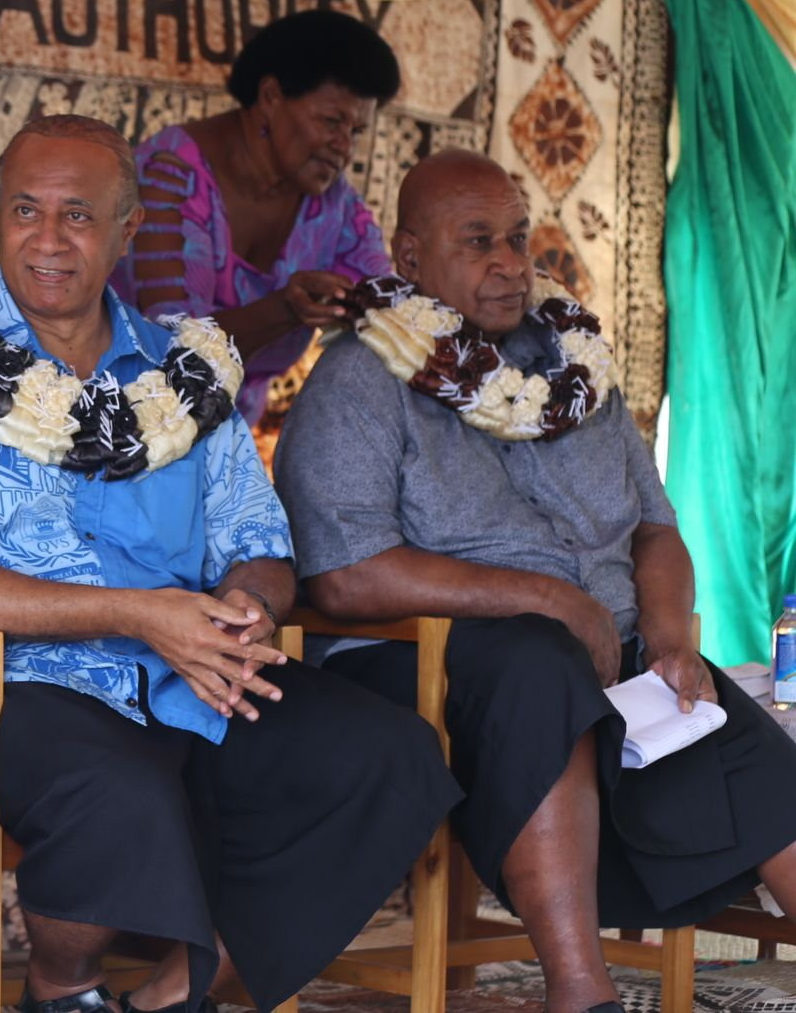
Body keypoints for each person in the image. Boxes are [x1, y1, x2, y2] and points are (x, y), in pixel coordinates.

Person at [0, 114, 458, 1013]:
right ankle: (62, 989)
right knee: (116, 788)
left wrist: (246, 609)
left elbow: (259, 544)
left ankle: (181, 987)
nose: (47, 240)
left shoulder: (186, 373)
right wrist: (137, 613)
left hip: (180, 671)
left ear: (127, 230)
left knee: (386, 755)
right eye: (24, 210)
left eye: (78, 216)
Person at [277, 150, 796, 1013]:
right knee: (537, 663)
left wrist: (670, 637)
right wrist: (550, 599)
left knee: (712, 716)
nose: (511, 262)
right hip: (428, 660)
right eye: (477, 241)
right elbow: (344, 577)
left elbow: (656, 530)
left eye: (517, 238)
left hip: (608, 648)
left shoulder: (574, 367)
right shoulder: (358, 381)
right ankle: (579, 992)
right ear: (409, 256)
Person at [112, 9, 400, 423]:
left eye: (355, 132)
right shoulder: (166, 181)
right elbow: (175, 352)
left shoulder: (337, 210)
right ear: (270, 97)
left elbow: (391, 309)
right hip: (121, 422)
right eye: (332, 121)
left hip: (229, 436)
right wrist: (284, 309)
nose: (346, 149)